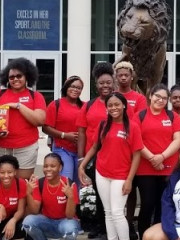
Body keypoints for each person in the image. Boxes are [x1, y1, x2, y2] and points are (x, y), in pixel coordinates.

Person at [77, 92, 143, 240]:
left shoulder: (133, 127)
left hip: (121, 175)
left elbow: (137, 155)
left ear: (124, 106)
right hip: (102, 172)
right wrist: (82, 165)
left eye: (117, 104)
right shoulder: (103, 125)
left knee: (118, 212)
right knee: (108, 212)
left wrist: (129, 180)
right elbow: (94, 147)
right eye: (110, 105)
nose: (114, 108)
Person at [135, 84, 180, 237]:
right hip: (144, 169)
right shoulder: (139, 116)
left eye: (164, 98)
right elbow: (136, 141)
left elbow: (178, 139)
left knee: (163, 206)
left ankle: (159, 237)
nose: (160, 100)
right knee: (147, 204)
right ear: (150, 95)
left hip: (168, 168)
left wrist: (161, 157)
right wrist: (152, 158)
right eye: (158, 96)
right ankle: (144, 235)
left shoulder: (172, 116)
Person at [76, 62, 117, 239]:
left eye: (108, 82)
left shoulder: (117, 104)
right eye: (101, 83)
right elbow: (81, 132)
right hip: (92, 156)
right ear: (96, 85)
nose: (105, 86)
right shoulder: (89, 105)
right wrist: (80, 158)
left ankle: (113, 227)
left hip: (114, 156)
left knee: (112, 195)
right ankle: (100, 226)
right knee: (98, 194)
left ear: (113, 83)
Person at [0, 58, 47, 180]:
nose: (15, 79)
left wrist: (18, 106)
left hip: (25, 147)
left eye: (19, 76)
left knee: (22, 183)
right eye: (11, 77)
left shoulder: (35, 96)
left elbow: (40, 120)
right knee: (3, 182)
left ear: (27, 76)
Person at [22, 153, 81, 240]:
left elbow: (70, 215)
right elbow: (34, 211)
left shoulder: (69, 184)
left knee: (70, 229)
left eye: (53, 166)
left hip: (65, 222)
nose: (48, 169)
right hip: (47, 222)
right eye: (45, 166)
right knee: (28, 222)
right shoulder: (39, 183)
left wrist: (71, 197)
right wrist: (28, 194)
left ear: (60, 168)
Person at [43, 76, 85, 185]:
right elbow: (45, 127)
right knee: (66, 180)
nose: (75, 90)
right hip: (62, 148)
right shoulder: (56, 104)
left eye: (79, 88)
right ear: (66, 87)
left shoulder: (85, 106)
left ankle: (75, 202)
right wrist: (64, 135)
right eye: (72, 86)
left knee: (78, 183)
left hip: (80, 151)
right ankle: (62, 201)